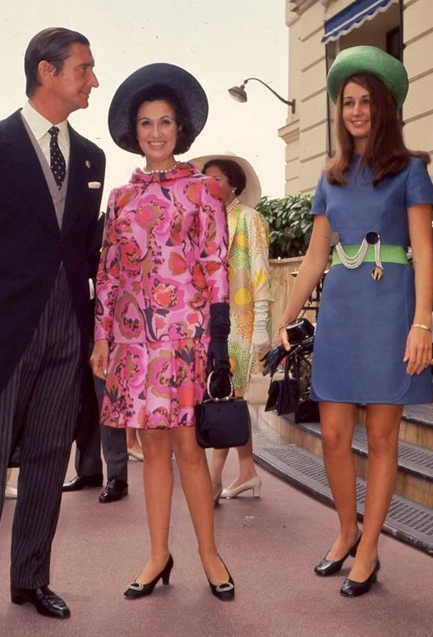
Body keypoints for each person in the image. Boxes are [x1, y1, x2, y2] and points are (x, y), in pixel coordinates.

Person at [278, 46, 433, 598]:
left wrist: (423, 325)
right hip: (342, 311)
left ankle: (369, 549)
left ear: (384, 107)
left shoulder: (411, 170)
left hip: (391, 311)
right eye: (348, 102)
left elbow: (424, 250)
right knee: (336, 436)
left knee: (384, 437)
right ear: (339, 110)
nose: (357, 111)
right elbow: (316, 256)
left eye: (367, 101)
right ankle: (347, 529)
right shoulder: (330, 175)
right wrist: (287, 314)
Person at [0, 27, 105, 634]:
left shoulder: (92, 158)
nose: (93, 81)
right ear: (46, 73)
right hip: (0, 332)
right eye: (83, 69)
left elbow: (84, 249)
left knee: (52, 456)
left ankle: (30, 578)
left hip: (67, 330)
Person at [91, 63, 235, 601]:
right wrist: (102, 336)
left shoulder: (202, 191)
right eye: (147, 123)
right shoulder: (121, 199)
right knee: (150, 448)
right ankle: (157, 556)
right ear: (135, 130)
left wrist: (217, 338)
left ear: (181, 130)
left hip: (184, 338)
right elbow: (108, 271)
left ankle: (209, 555)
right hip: (132, 338)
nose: (156, 132)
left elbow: (217, 263)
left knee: (187, 449)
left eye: (166, 122)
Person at [192, 154, 273, 503]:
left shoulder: (248, 219)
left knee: (222, 395)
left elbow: (259, 270)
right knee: (229, 398)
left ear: (234, 184)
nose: (211, 185)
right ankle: (247, 471)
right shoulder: (208, 222)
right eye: (205, 180)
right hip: (211, 324)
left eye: (217, 179)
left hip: (239, 323)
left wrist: (262, 323)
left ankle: (212, 480)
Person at [63, 213, 130, 503]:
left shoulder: (114, 222)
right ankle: (88, 470)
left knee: (107, 399)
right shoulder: (70, 224)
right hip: (75, 320)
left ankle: (118, 476)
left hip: (110, 326)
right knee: (83, 401)